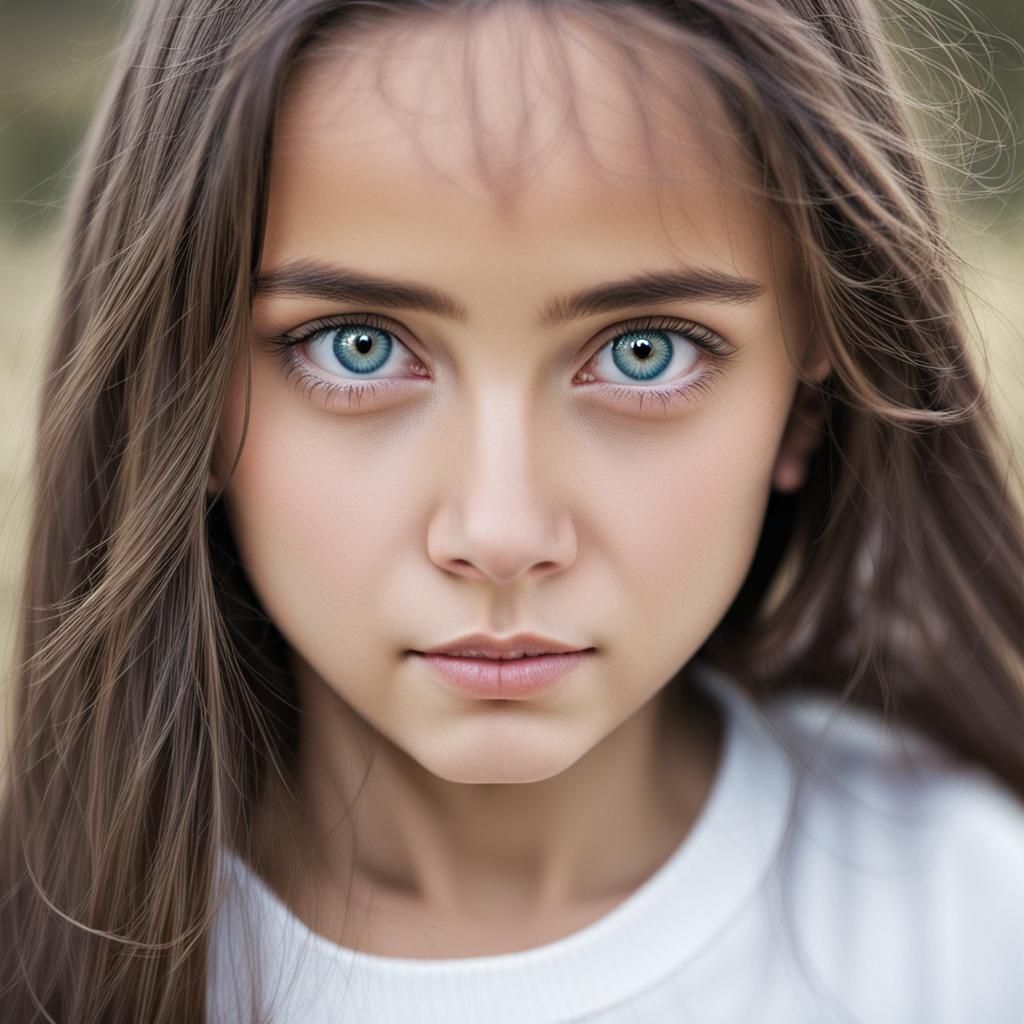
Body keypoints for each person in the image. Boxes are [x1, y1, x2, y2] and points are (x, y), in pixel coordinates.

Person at [2, 0, 1023, 1020]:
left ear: (807, 395)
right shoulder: (41, 957)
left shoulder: (968, 917)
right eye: (353, 344)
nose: (500, 533)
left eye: (644, 350)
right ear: (182, 390)